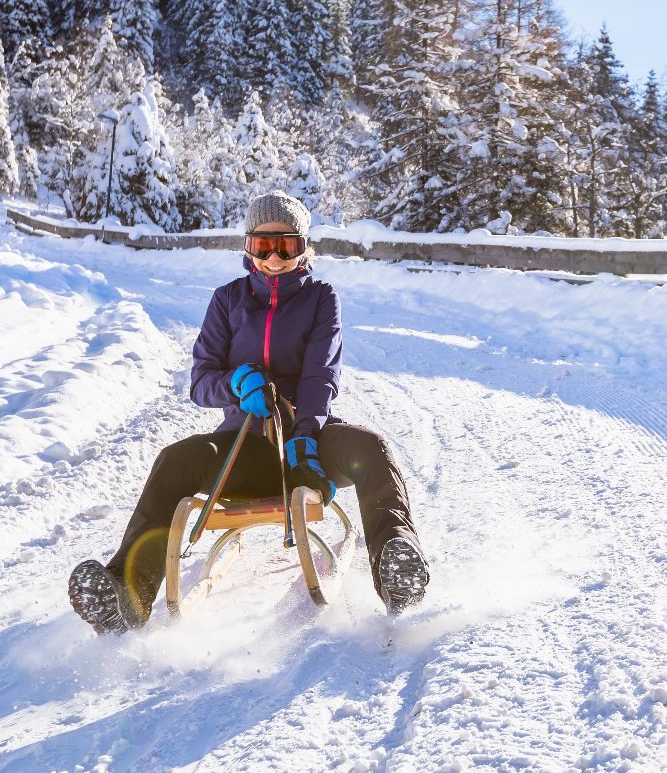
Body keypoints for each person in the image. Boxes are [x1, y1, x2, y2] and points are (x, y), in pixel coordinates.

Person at [68, 190, 430, 633]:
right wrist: (237, 385)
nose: (275, 258)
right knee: (175, 460)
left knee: (371, 447)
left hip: (309, 446)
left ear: (304, 248)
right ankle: (127, 593)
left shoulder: (321, 299)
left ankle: (396, 563)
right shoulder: (228, 300)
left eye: (287, 246)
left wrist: (305, 436)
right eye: (264, 246)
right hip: (246, 447)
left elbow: (321, 377)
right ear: (247, 247)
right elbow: (201, 382)